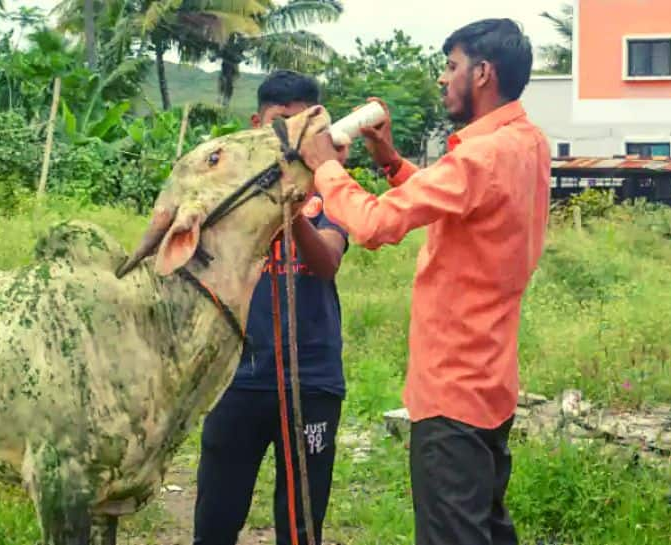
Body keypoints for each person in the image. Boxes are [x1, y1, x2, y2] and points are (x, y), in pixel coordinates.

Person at [297, 19, 550, 545]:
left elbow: (372, 225)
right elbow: (462, 201)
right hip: (488, 385)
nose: (443, 79)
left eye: (451, 66)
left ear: (483, 74)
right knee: (484, 528)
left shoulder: (481, 155)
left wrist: (325, 169)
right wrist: (389, 161)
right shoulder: (525, 142)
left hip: (452, 395)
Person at [192, 70, 349, 545]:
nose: (290, 137)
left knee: (300, 527)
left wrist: (294, 210)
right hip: (234, 378)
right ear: (257, 122)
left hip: (310, 380)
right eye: (281, 123)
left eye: (302, 124)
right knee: (215, 521)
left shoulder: (331, 189)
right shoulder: (222, 193)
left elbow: (326, 263)